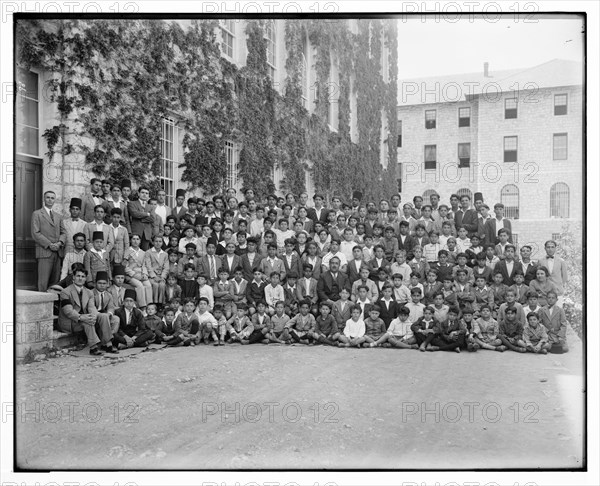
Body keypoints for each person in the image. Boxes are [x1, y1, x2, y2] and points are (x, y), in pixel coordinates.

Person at [58, 267, 115, 355]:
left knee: (103, 316)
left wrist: (93, 317)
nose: (80, 278)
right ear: (73, 277)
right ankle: (93, 348)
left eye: (83, 276)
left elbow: (91, 308)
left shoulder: (88, 292)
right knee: (87, 322)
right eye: (78, 276)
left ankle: (108, 344)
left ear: (85, 278)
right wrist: (81, 317)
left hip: (84, 319)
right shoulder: (65, 292)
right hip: (70, 321)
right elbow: (68, 311)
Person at [31, 191, 65, 291]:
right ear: (44, 199)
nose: (50, 200)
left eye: (52, 198)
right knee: (43, 282)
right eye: (48, 197)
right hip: (45, 252)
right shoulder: (37, 214)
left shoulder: (58, 216)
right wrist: (50, 244)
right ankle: (42, 305)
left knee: (55, 283)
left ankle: (52, 306)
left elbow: (64, 232)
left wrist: (59, 243)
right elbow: (35, 233)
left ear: (55, 200)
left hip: (57, 253)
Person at [123, 234, 152, 311]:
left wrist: (145, 274)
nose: (135, 241)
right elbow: (125, 266)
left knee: (148, 285)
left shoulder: (143, 252)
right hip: (131, 275)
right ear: (130, 240)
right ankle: (142, 306)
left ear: (140, 241)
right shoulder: (127, 251)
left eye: (137, 239)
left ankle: (150, 306)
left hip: (141, 274)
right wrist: (133, 274)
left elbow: (144, 265)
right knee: (140, 285)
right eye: (133, 239)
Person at [537, 240, 569, 306]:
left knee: (558, 312)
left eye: (552, 247)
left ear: (555, 248)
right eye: (548, 247)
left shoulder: (561, 261)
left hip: (558, 292)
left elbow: (564, 277)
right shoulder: (540, 261)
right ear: (545, 248)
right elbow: (538, 276)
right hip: (545, 293)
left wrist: (558, 286)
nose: (550, 249)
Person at [128, 186, 155, 251]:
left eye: (146, 193)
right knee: (133, 251)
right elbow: (134, 214)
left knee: (145, 253)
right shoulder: (132, 203)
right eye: (142, 192)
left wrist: (139, 218)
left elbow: (152, 218)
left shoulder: (151, 207)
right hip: (136, 232)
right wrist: (147, 214)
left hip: (146, 234)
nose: (144, 194)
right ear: (138, 193)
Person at [144, 235, 169, 304]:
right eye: (156, 241)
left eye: (160, 241)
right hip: (152, 275)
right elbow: (148, 266)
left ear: (162, 243)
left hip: (161, 276)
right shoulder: (148, 252)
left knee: (162, 285)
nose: (158, 243)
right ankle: (154, 302)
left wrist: (162, 276)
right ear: (153, 242)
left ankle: (160, 303)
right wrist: (154, 276)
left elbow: (166, 267)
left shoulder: (165, 254)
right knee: (155, 285)